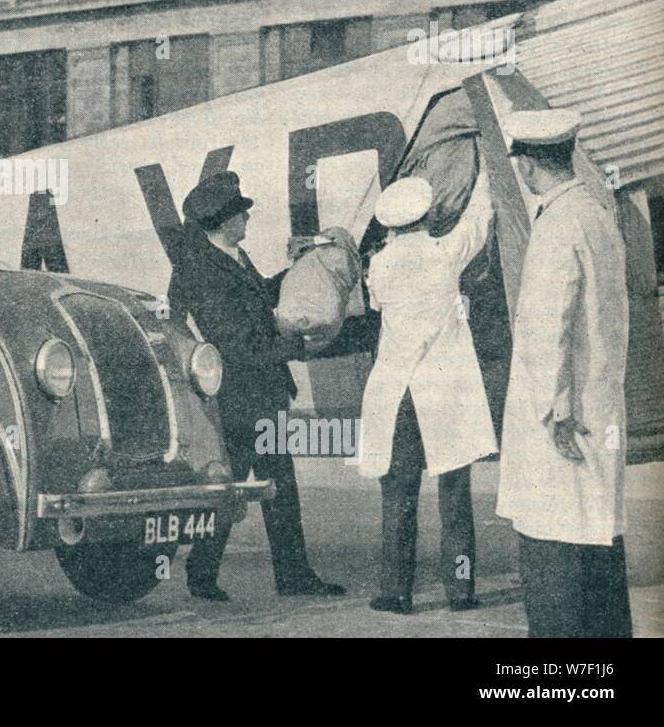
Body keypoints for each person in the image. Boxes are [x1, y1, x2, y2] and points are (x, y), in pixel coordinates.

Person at [168, 170, 345, 601]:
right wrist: (295, 344)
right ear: (223, 220)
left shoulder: (231, 254)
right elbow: (236, 342)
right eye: (241, 214)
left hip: (261, 392)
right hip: (240, 396)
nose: (247, 219)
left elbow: (260, 298)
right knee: (242, 487)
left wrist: (297, 268)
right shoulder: (202, 268)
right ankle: (216, 573)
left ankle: (260, 573)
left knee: (260, 486)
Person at [495, 109, 632, 638]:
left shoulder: (556, 226)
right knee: (599, 553)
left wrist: (555, 410)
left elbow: (547, 327)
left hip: (562, 425)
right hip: (599, 411)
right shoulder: (596, 214)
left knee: (553, 566)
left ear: (528, 166)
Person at [359, 170, 497, 615]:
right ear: (428, 216)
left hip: (396, 393)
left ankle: (396, 592)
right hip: (441, 391)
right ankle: (460, 590)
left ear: (392, 225)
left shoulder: (378, 265)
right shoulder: (444, 252)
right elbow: (478, 222)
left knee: (398, 495)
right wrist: (484, 174)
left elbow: (378, 307)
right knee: (454, 495)